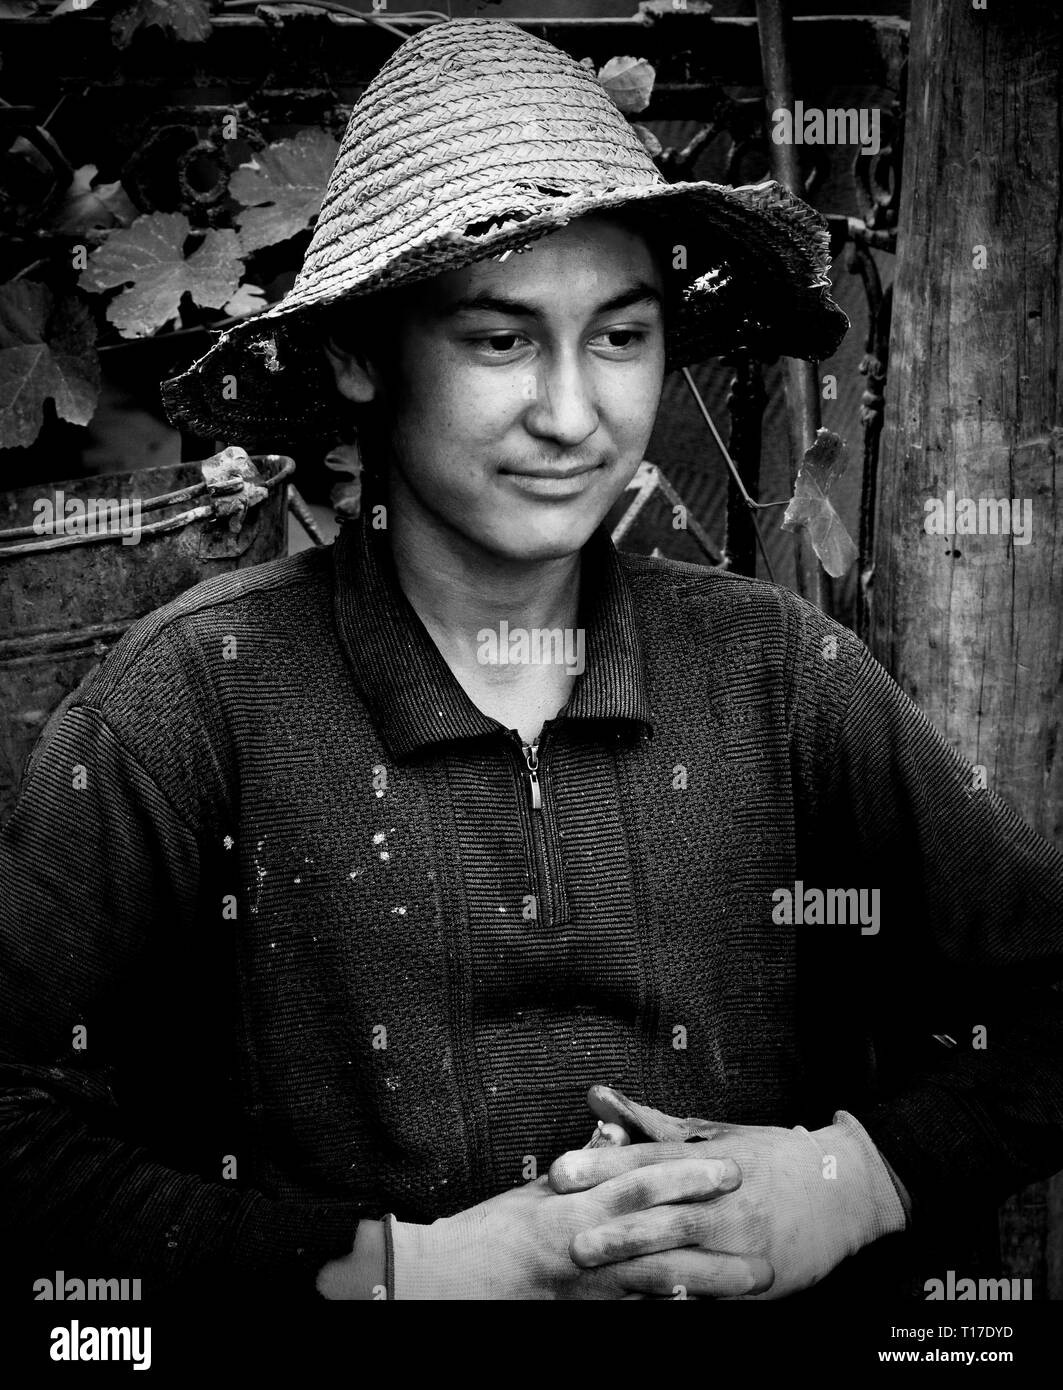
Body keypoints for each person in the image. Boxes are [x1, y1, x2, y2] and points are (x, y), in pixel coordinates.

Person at [2, 17, 1062, 1305]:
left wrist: (849, 1179)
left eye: (619, 337)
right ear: (356, 354)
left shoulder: (773, 679)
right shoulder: (198, 699)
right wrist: (408, 1269)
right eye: (500, 340)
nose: (573, 416)